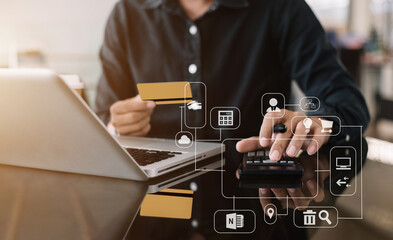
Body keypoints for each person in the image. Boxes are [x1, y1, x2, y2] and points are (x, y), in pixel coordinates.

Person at [95, 0, 369, 212]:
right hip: (155, 216)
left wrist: (316, 123)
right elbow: (103, 116)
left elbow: (346, 100)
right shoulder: (127, 14)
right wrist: (114, 125)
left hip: (258, 214)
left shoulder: (280, 7)